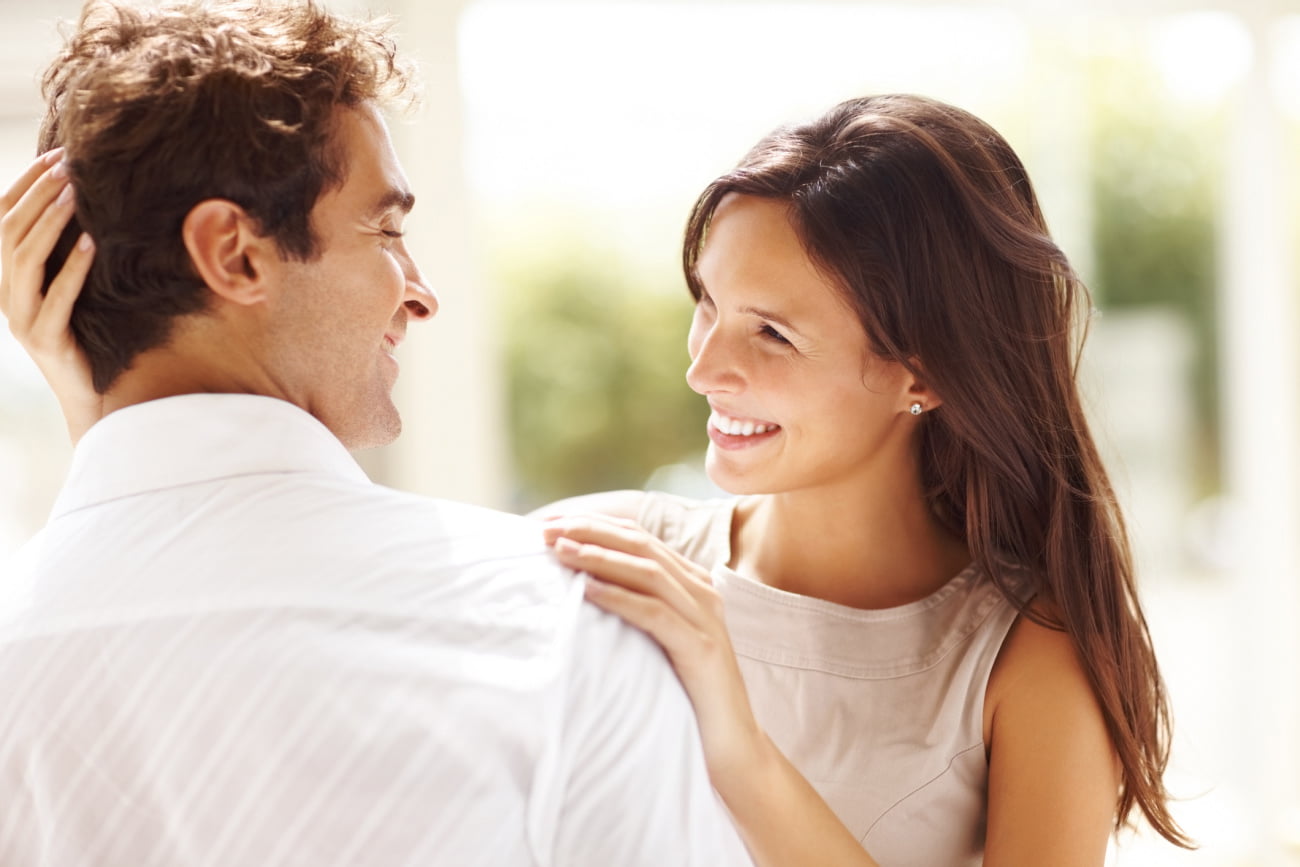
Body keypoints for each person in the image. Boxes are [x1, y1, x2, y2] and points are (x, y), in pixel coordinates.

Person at [0, 2, 752, 865]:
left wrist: (106, 412)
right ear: (234, 253)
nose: (421, 291)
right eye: (386, 228)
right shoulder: (556, 621)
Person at [533, 95, 1194, 865]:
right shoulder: (613, 553)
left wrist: (738, 745)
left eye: (771, 334)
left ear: (923, 371)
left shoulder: (1026, 658)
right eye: (707, 303)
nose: (703, 368)